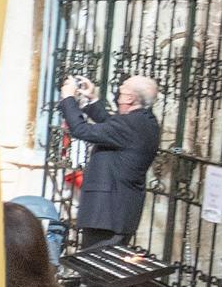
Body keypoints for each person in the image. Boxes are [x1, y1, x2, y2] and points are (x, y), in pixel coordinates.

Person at [57, 73, 160, 249]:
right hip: (117, 212)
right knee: (100, 269)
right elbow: (111, 125)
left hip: (107, 215)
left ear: (130, 98)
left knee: (96, 271)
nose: (118, 98)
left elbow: (81, 130)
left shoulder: (130, 125)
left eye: (120, 93)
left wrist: (68, 99)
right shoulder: (144, 121)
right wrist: (93, 99)